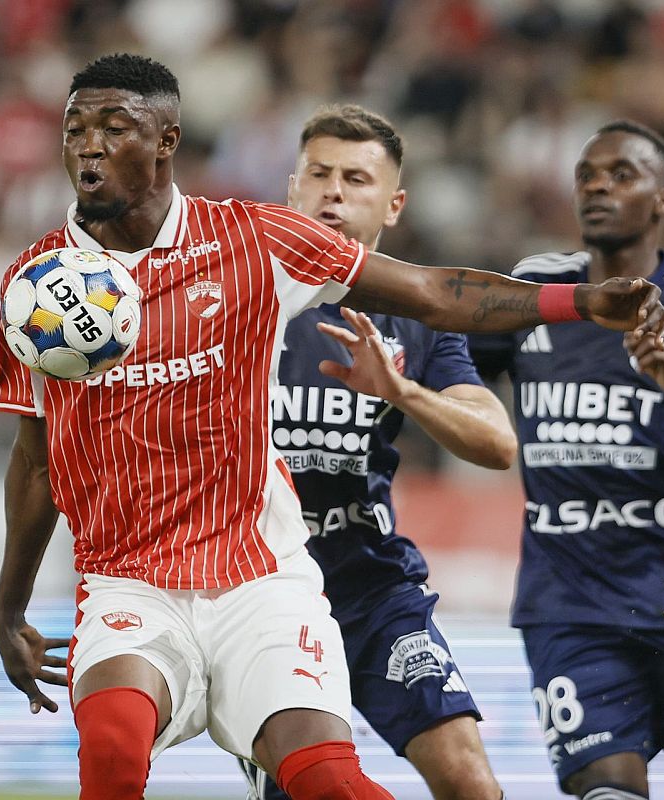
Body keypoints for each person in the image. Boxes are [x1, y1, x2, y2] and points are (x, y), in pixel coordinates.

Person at [0, 54, 664, 800]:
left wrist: (580, 301)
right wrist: (9, 608)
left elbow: (432, 292)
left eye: (113, 127)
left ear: (166, 141)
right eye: (75, 128)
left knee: (331, 781)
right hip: (129, 582)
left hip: (263, 577)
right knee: (112, 755)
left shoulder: (254, 242)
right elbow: (35, 460)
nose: (88, 145)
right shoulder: (35, 286)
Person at [469, 120, 664, 800]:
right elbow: (449, 360)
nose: (597, 187)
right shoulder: (535, 290)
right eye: (586, 176)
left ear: (663, 200)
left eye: (620, 175)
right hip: (568, 601)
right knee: (608, 792)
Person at [235, 104, 511, 800]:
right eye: (318, 174)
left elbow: (498, 443)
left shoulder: (417, 315)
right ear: (292, 187)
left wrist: (404, 391)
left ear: (393, 205)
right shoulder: (234, 295)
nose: (333, 192)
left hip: (371, 588)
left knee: (470, 781)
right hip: (257, 594)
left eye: (356, 179)